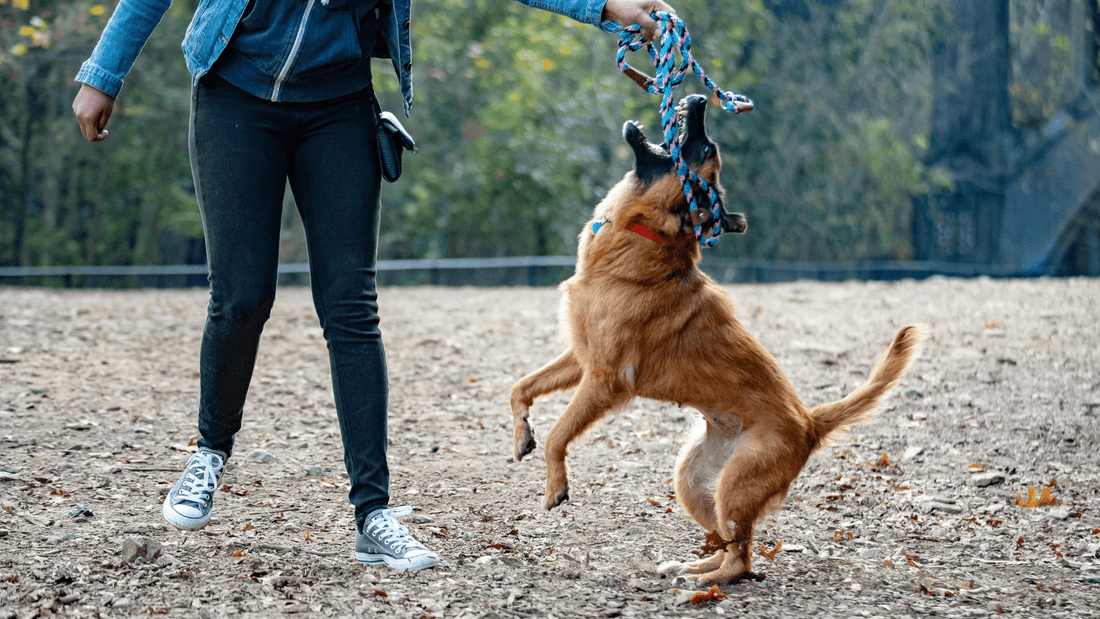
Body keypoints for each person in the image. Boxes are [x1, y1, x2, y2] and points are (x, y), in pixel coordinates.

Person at [72, 0, 674, 571]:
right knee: (243, 295)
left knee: (351, 307)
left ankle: (372, 514)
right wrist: (104, 74)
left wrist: (606, 6)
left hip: (337, 106)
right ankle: (210, 450)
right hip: (235, 95)